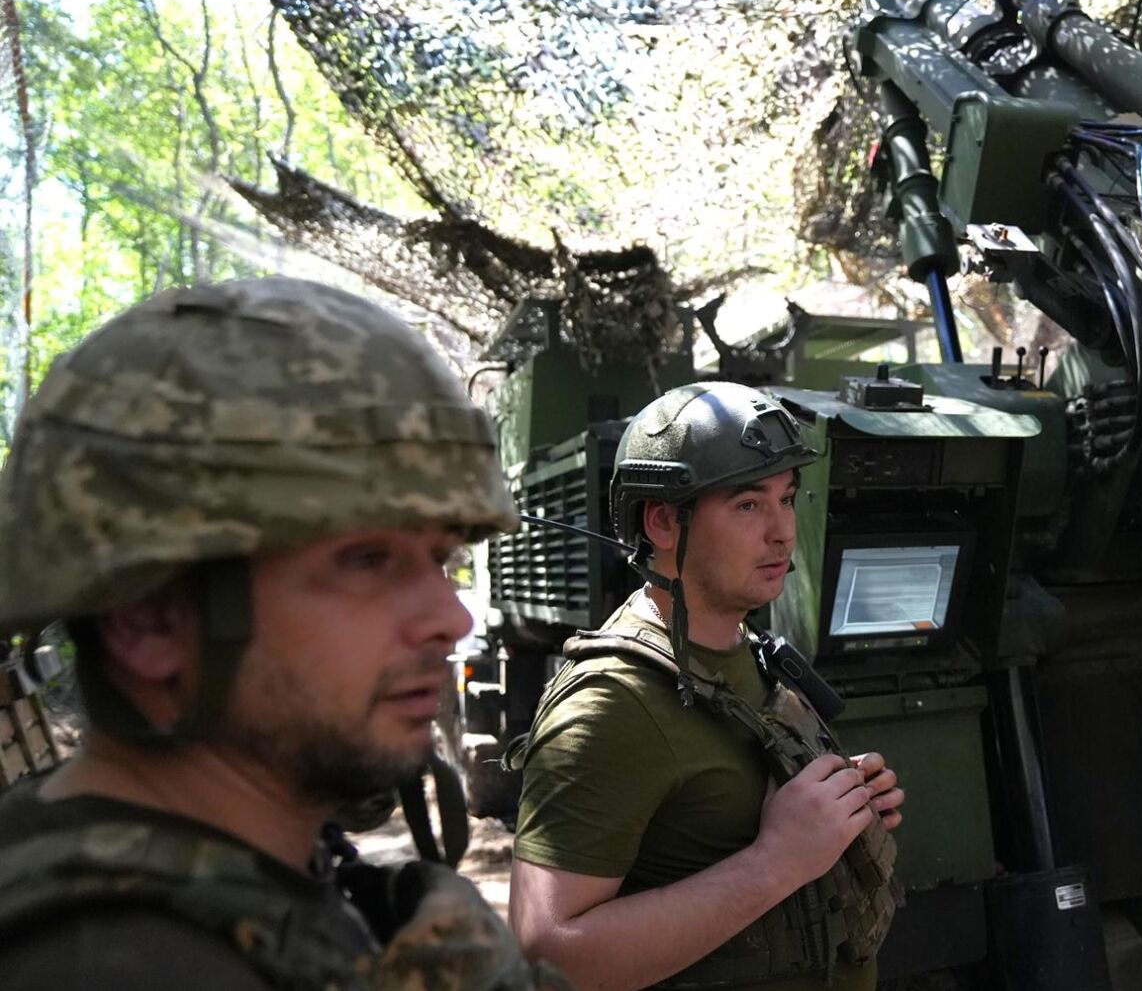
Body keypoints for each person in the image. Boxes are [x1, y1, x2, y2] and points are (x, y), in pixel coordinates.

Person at [0, 277, 566, 991]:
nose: (450, 618)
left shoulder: (230, 878)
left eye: (439, 559)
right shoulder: (110, 961)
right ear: (149, 617)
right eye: (366, 559)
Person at [508, 382, 905, 991]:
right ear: (663, 521)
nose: (782, 531)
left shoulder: (743, 648)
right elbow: (547, 956)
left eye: (786, 499)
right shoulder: (608, 705)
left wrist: (840, 802)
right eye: (748, 505)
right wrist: (777, 862)